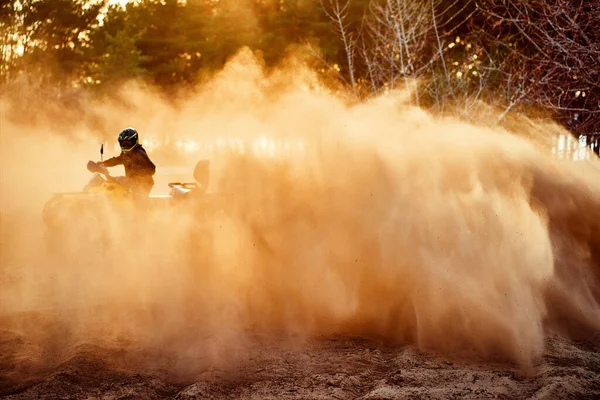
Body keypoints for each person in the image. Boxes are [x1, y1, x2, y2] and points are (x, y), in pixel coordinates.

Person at [99, 127, 156, 199]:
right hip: (132, 182)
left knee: (137, 200)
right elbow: (117, 160)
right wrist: (103, 163)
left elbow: (152, 169)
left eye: (128, 144)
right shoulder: (126, 153)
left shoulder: (139, 153)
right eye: (123, 144)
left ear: (135, 141)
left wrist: (137, 176)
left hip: (144, 184)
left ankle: (141, 208)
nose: (125, 146)